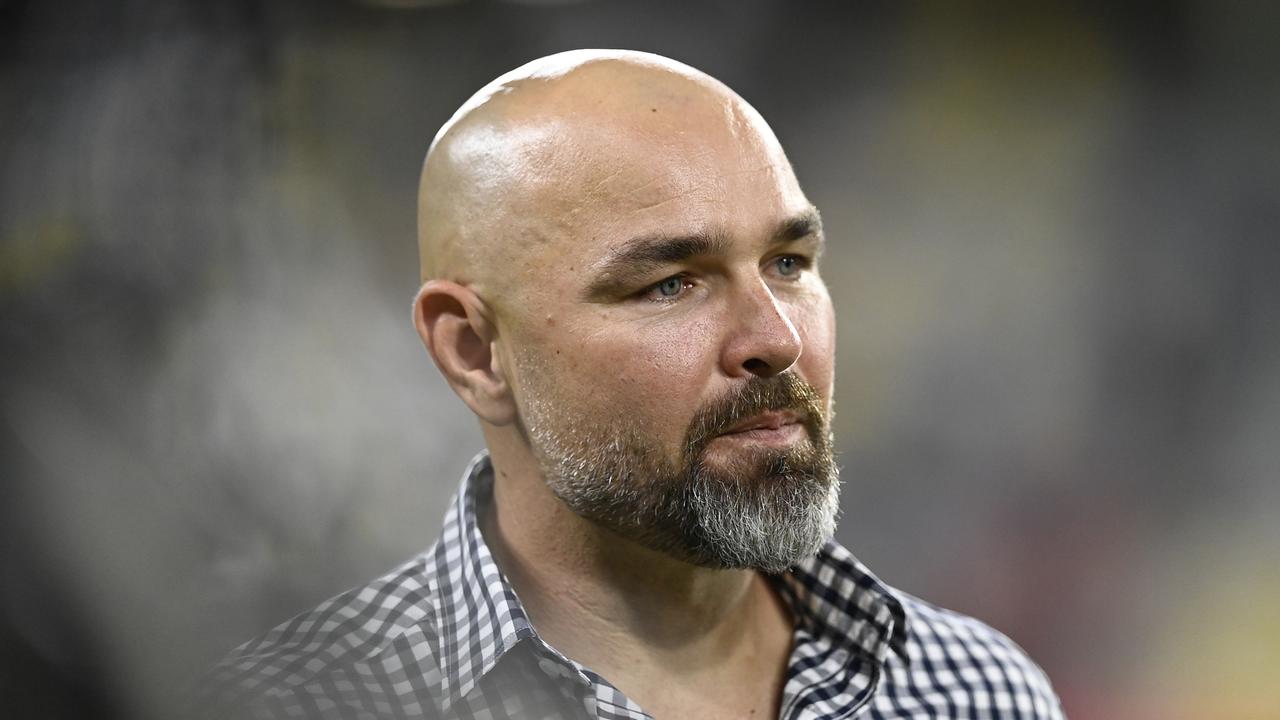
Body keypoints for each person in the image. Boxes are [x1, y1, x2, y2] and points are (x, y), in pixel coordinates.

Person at [202, 49, 1064, 719]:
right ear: (473, 350)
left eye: (789, 263)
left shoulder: (979, 693)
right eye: (671, 283)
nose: (776, 338)